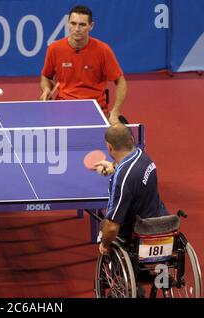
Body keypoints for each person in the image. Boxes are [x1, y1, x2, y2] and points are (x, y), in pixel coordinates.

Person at [40, 5, 127, 125]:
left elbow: (120, 81)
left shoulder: (103, 50)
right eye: (73, 23)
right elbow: (46, 76)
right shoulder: (54, 49)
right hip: (63, 108)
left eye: (82, 25)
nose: (77, 29)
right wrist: (46, 89)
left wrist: (115, 111)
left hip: (96, 109)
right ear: (68, 24)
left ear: (91, 26)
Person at [92, 124, 168, 255]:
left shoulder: (121, 180)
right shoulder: (143, 156)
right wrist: (114, 166)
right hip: (160, 219)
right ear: (131, 140)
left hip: (138, 231)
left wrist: (104, 245)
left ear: (109, 147)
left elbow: (112, 226)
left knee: (105, 225)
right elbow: (132, 174)